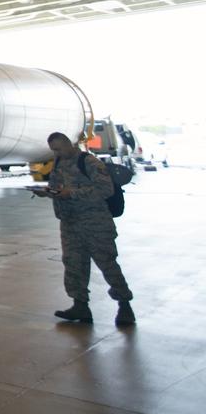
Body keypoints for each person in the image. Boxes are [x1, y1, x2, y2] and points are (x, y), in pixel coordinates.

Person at [33, 132, 134, 326]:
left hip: (95, 222)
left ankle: (124, 305)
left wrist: (72, 193)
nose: (56, 153)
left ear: (69, 144)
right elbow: (56, 187)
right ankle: (80, 305)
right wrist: (47, 192)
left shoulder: (89, 162)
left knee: (107, 264)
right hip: (70, 223)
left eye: (59, 148)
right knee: (74, 265)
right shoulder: (58, 163)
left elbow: (106, 190)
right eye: (53, 150)